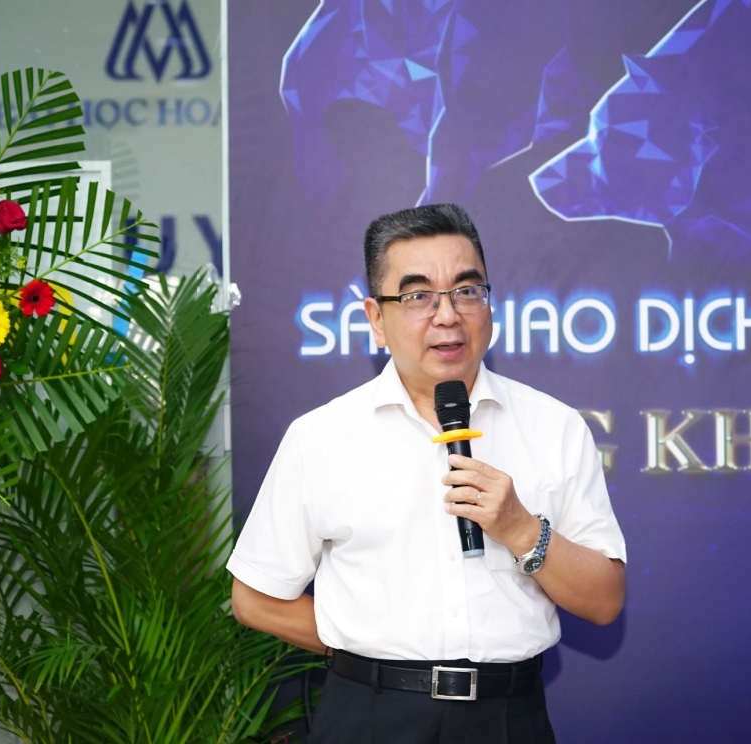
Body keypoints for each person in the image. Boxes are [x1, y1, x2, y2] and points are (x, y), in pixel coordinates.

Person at [227, 203, 627, 743]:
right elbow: (254, 598)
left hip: (508, 719)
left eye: (467, 290)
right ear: (376, 318)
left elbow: (604, 601)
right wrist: (369, 647)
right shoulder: (320, 437)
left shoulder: (554, 426)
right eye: (418, 296)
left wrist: (519, 528)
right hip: (370, 716)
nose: (447, 315)